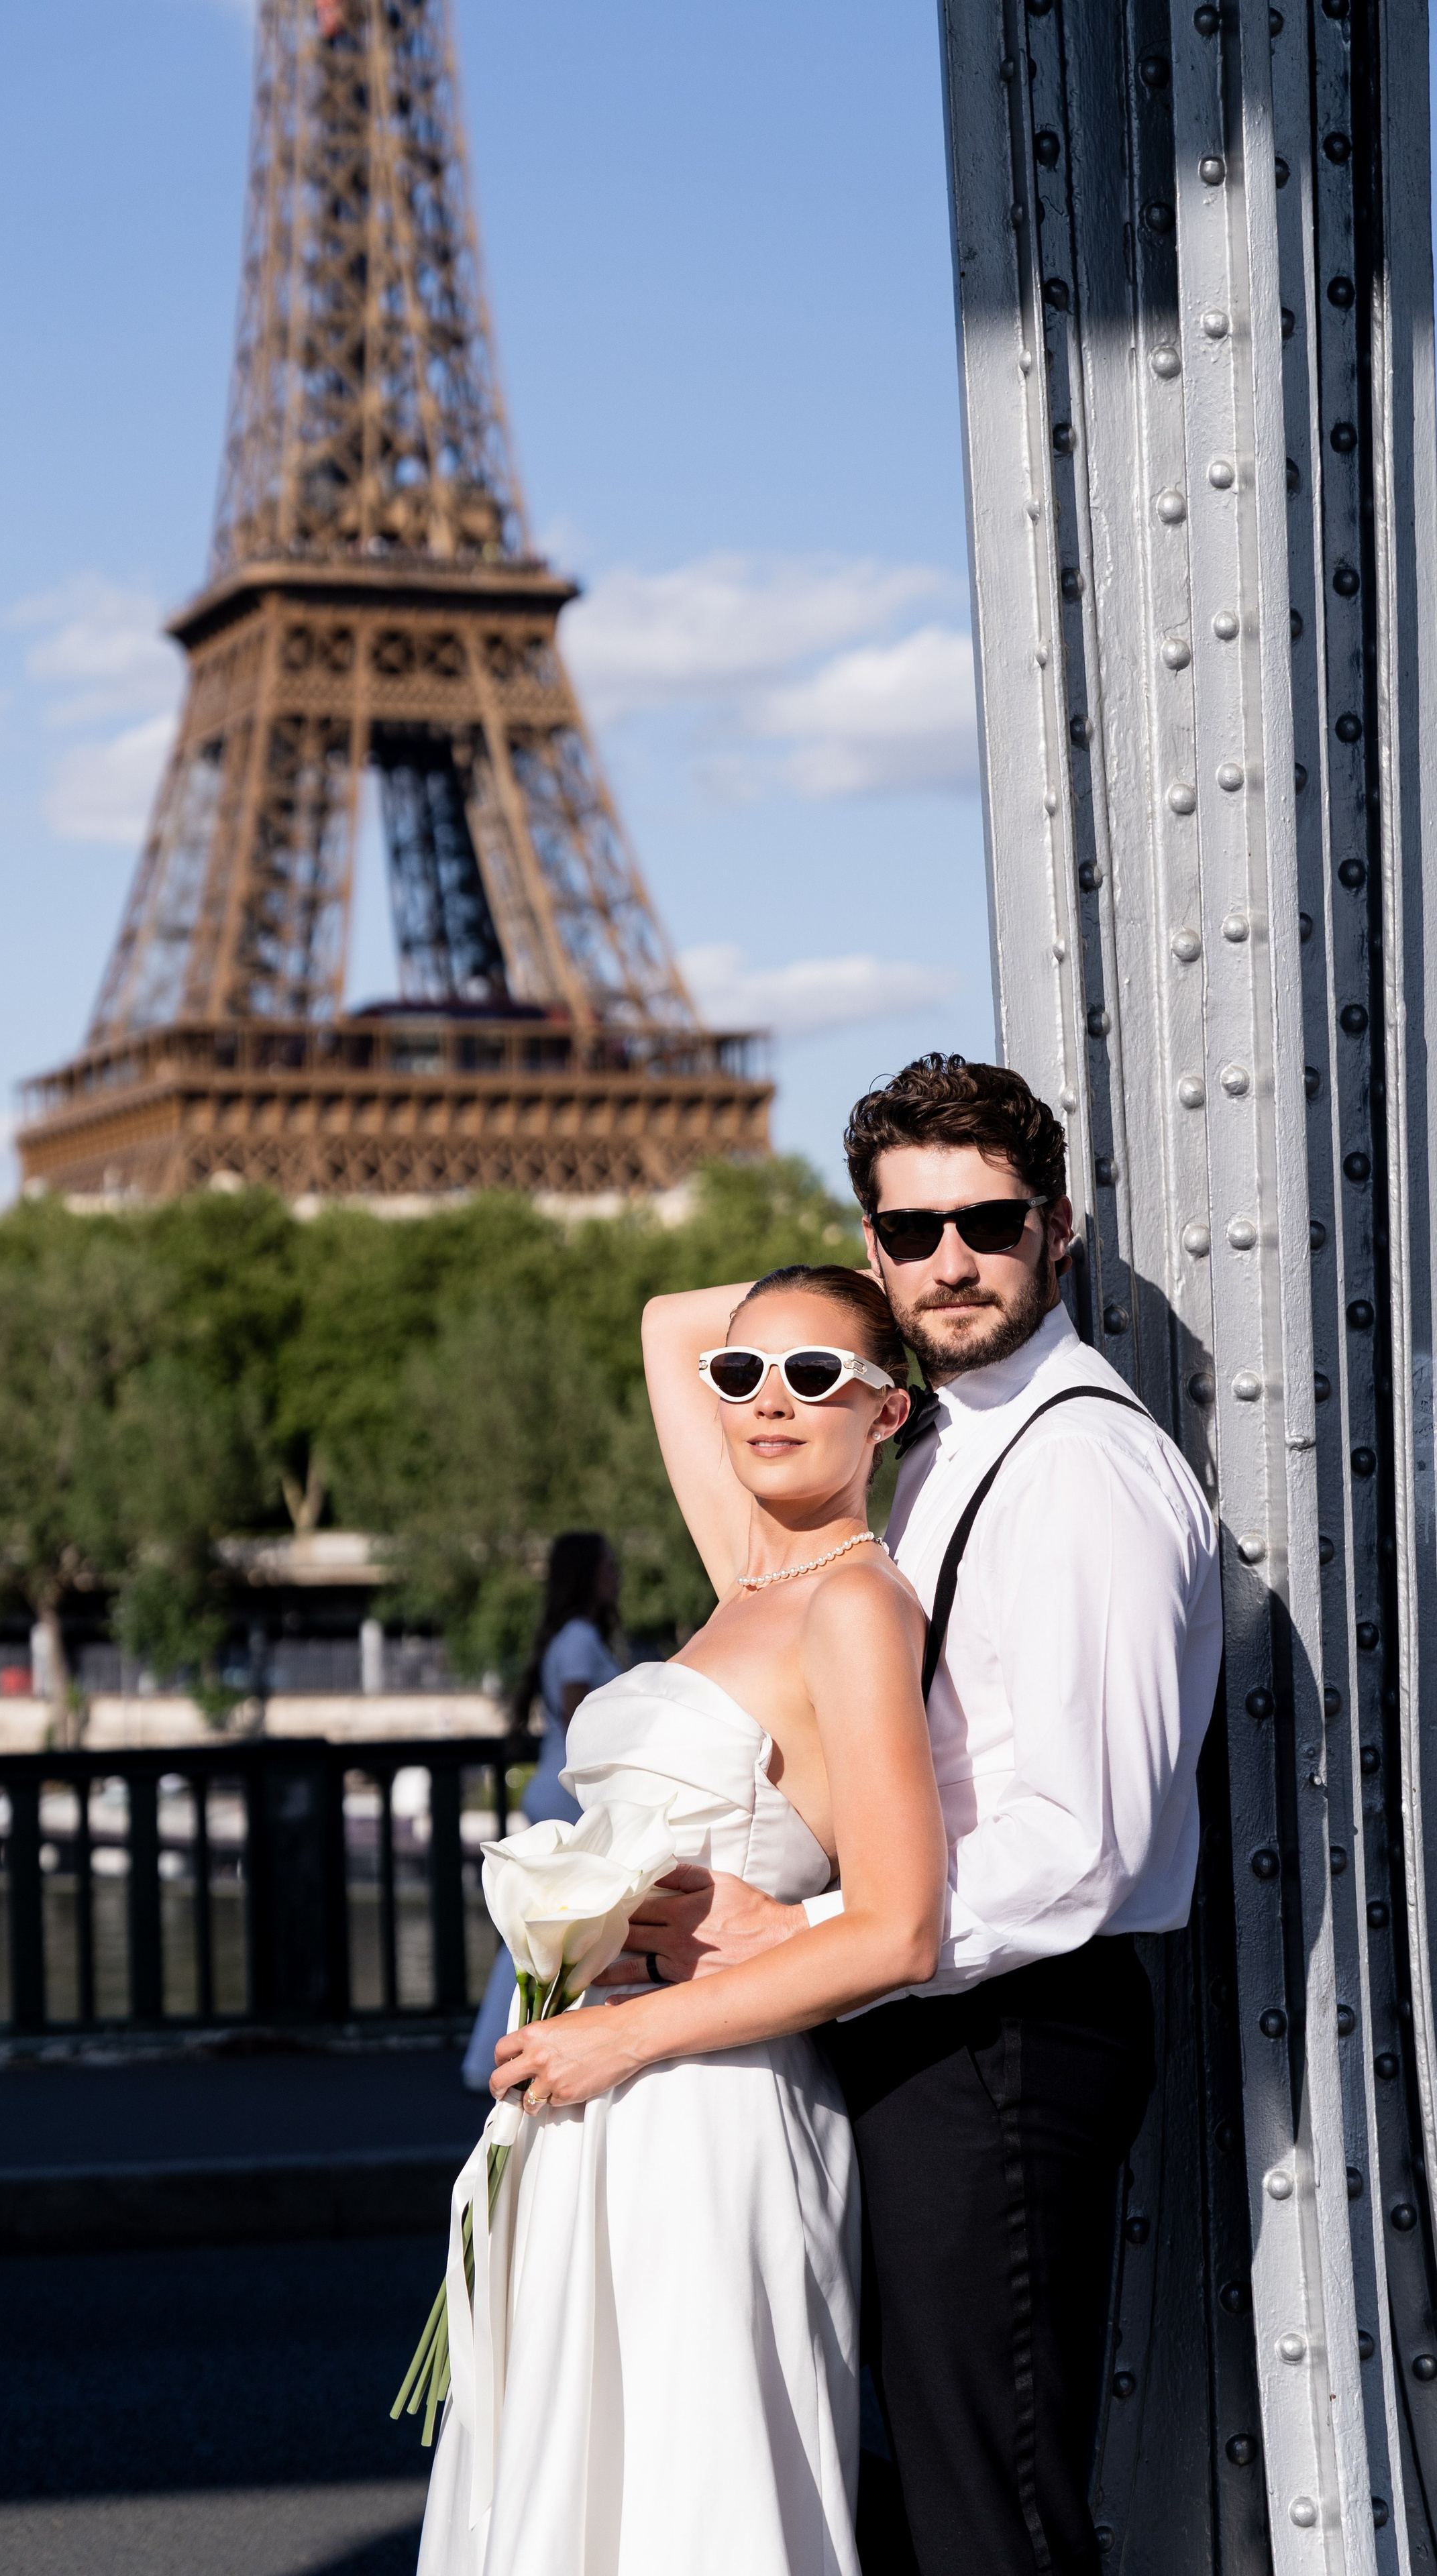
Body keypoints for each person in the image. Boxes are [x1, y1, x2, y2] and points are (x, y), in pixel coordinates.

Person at [590, 1055, 1224, 2576]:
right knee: (885, 2471)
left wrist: (806, 1932)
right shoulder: (915, 1439)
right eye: (908, 1229)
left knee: (984, 2507)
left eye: (986, 1223)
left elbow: (1089, 1842)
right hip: (913, 2010)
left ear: (1054, 1230)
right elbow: (683, 1330)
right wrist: (843, 1324)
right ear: (867, 1245)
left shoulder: (1078, 1467)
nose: (950, 1260)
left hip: (1002, 2031)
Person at [418, 1265, 945, 2576]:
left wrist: (622, 2043)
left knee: (696, 2516)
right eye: (744, 1374)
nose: (767, 1400)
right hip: (592, 2105)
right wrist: (888, 1274)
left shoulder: (852, 1604)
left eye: (815, 1376)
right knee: (580, 2509)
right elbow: (664, 1320)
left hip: (706, 2110)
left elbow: (897, 1931)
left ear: (884, 1414)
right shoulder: (743, 1582)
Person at [460, 1533, 623, 2092]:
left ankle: (499, 2049)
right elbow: (586, 1722)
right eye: (608, 1566)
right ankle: (495, 2053)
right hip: (572, 1793)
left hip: (554, 1788)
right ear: (590, 1574)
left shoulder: (569, 1638)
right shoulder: (580, 1641)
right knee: (540, 1930)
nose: (616, 1575)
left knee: (539, 1927)